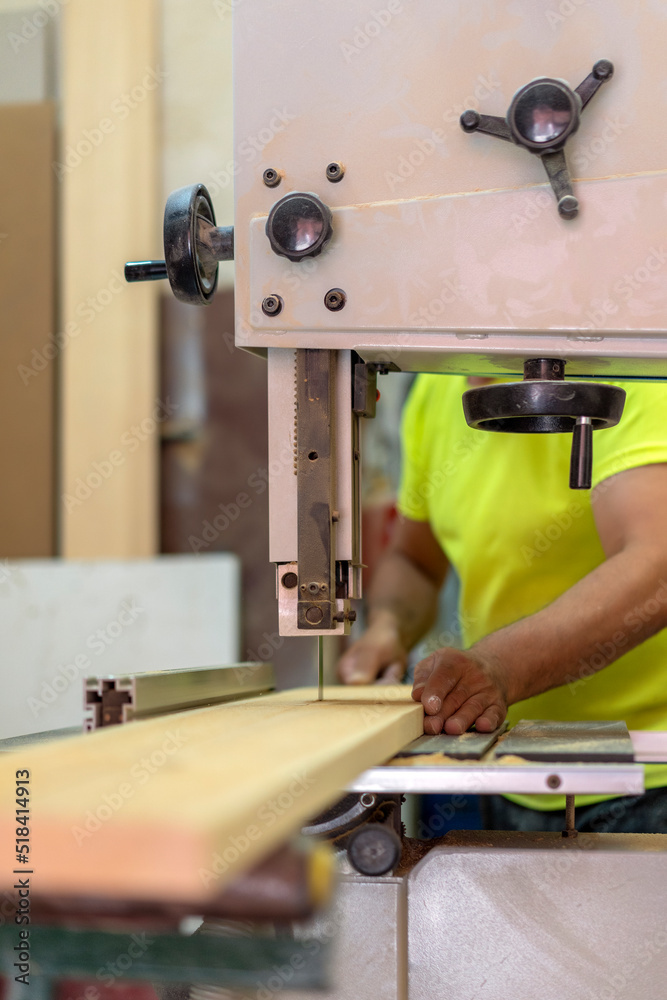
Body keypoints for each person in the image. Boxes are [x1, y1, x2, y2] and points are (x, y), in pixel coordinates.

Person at [338, 374, 667, 832]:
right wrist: (388, 627)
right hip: (509, 763)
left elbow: (657, 563)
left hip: (646, 772)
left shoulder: (631, 368)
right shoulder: (435, 384)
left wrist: (499, 667)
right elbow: (415, 560)